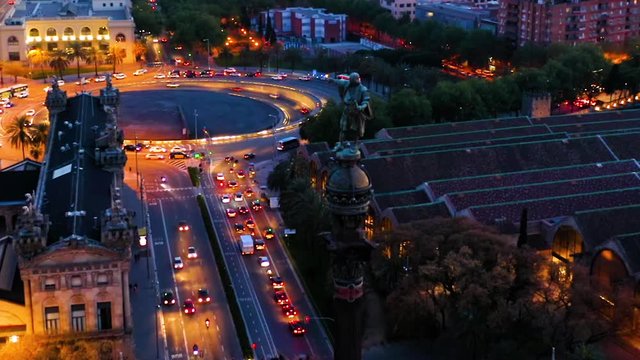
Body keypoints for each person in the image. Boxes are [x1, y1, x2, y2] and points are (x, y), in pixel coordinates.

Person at [330, 72, 373, 151]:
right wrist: (332, 80)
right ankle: (341, 144)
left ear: (356, 80)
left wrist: (361, 107)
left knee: (356, 130)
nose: (351, 83)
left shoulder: (363, 89)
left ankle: (355, 145)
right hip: (347, 109)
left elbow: (366, 101)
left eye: (352, 82)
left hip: (357, 112)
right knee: (343, 127)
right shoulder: (348, 83)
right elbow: (341, 82)